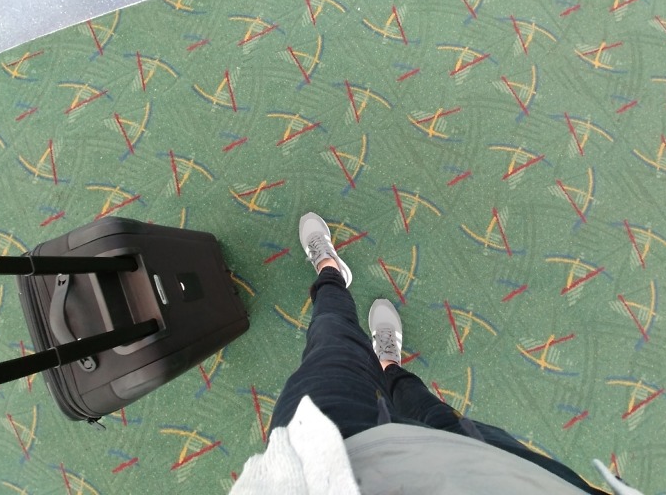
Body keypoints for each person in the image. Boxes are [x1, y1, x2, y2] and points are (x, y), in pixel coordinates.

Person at [231, 212, 643, 494]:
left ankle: (330, 273)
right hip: (494, 475)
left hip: (325, 467)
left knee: (331, 341)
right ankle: (389, 364)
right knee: (430, 411)